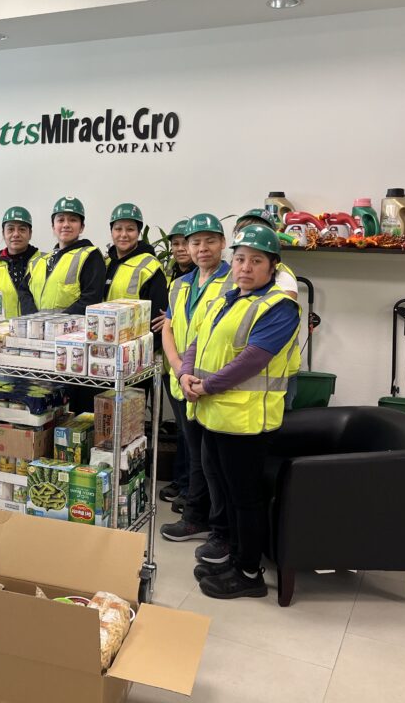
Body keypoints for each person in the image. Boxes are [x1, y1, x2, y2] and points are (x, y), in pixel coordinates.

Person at [180, 225, 301, 599]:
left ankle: (249, 574)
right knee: (225, 494)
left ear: (273, 266)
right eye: (240, 260)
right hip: (213, 416)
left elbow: (253, 359)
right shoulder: (226, 299)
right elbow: (197, 342)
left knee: (245, 498)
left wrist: (208, 385)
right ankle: (234, 558)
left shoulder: (280, 307)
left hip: (246, 422)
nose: (245, 267)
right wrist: (185, 372)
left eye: (256, 261)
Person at [159, 214, 232, 543]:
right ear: (187, 247)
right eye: (195, 242)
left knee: (214, 460)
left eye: (210, 241)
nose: (202, 248)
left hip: (214, 384)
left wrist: (190, 372)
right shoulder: (180, 284)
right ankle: (196, 517)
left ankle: (216, 525)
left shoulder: (234, 282)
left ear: (222, 243)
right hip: (182, 381)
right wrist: (176, 366)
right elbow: (169, 328)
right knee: (195, 452)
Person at [233, 208, 301, 407]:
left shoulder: (283, 278)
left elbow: (275, 327)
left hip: (274, 371)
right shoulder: (236, 274)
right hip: (240, 371)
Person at [157, 217, 195, 507]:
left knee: (190, 433)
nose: (180, 248)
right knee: (183, 431)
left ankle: (190, 488)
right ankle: (183, 482)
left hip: (192, 368)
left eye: (185, 243)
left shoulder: (204, 278)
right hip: (173, 365)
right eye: (176, 244)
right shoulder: (174, 277)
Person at [21, 196, 105, 314]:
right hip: (36, 329)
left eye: (73, 220)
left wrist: (55, 324)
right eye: (60, 220)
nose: (66, 224)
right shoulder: (38, 261)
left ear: (82, 227)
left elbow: (91, 299)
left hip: (71, 330)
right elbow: (24, 292)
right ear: (53, 226)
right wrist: (35, 319)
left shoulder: (90, 256)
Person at [104, 202, 168, 347]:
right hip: (106, 342)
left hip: (136, 350)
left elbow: (157, 320)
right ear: (112, 231)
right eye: (118, 229)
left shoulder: (150, 266)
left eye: (130, 229)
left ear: (138, 233)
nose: (123, 235)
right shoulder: (107, 264)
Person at [0, 206, 38, 318]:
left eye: (22, 229)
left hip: (35, 330)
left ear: (30, 233)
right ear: (3, 233)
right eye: (10, 229)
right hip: (0, 332)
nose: (16, 234)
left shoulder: (43, 261)